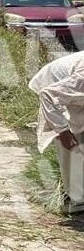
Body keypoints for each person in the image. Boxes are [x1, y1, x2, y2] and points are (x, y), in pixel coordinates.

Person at [29, 50, 84, 214]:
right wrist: (63, 131)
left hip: (73, 88)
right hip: (53, 87)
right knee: (70, 146)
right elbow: (48, 95)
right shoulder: (81, 80)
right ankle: (77, 202)